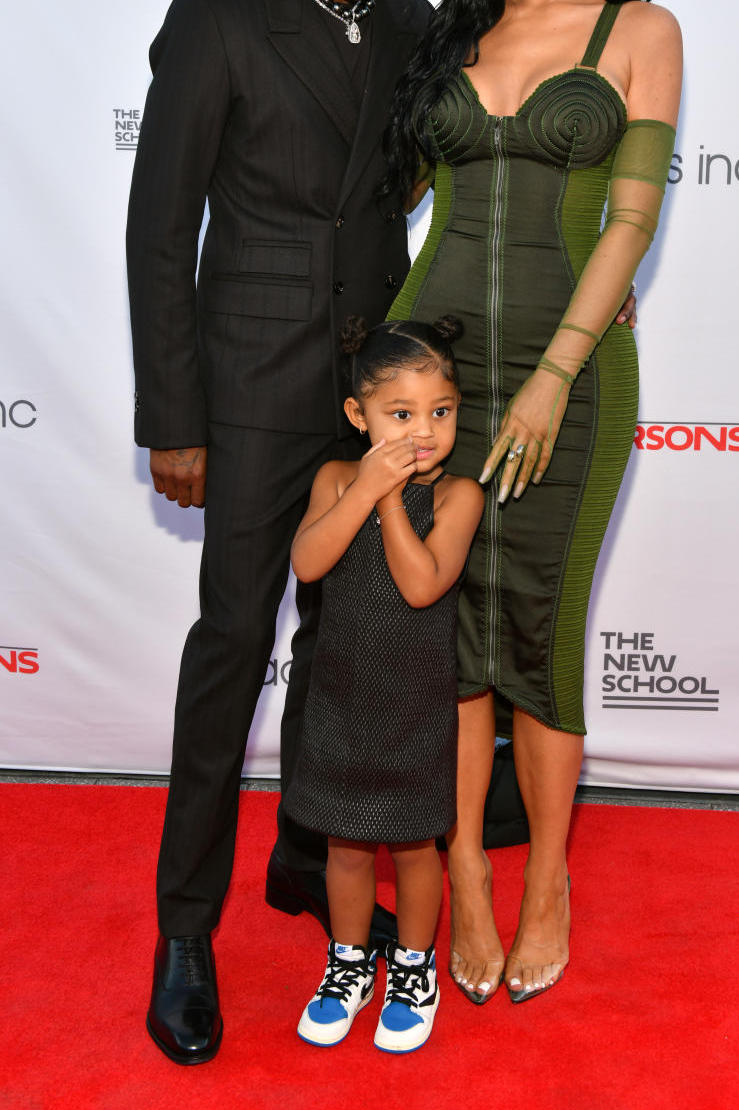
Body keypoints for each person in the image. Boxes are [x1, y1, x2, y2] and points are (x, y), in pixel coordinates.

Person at [126, 0, 440, 1065]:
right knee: (233, 642)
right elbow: (160, 229)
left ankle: (311, 855)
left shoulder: (420, 27)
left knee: (350, 642)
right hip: (250, 386)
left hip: (367, 386)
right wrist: (174, 414)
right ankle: (184, 930)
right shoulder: (216, 16)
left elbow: (410, 187)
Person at [385, 0, 683, 1005]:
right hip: (433, 379)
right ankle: (462, 870)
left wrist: (557, 371)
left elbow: (632, 217)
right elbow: (385, 184)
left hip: (576, 373)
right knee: (447, 640)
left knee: (546, 636)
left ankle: (548, 876)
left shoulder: (639, 28)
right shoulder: (453, 28)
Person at [284, 316, 483, 1052]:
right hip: (343, 696)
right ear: (357, 416)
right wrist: (364, 485)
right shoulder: (337, 477)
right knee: (344, 845)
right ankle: (347, 963)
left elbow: (422, 584)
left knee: (413, 848)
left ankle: (410, 967)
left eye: (441, 411)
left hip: (415, 703)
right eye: (400, 415)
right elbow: (307, 563)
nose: (422, 431)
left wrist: (391, 496)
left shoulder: (459, 495)